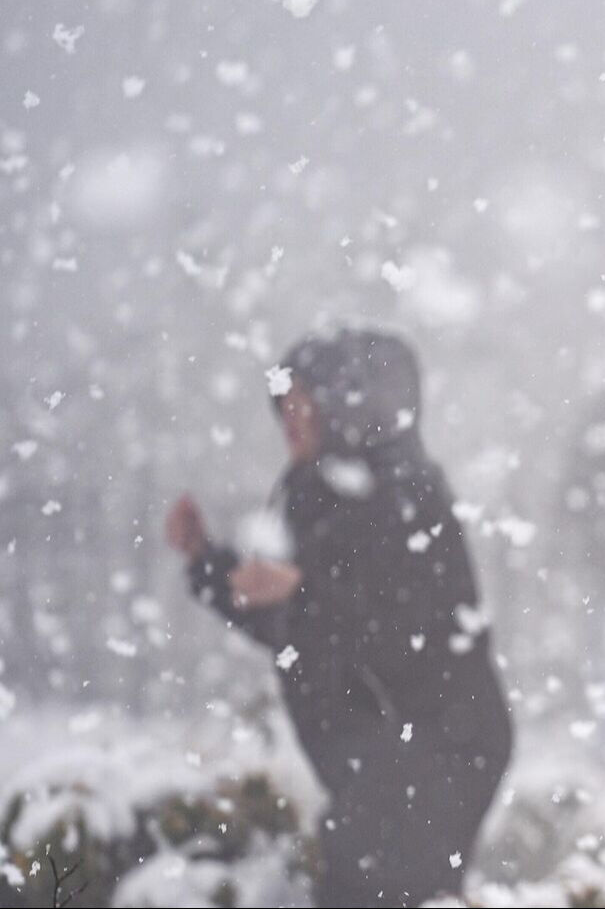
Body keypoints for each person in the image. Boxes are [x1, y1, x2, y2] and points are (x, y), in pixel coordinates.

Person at [165, 325, 514, 907]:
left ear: (347, 405)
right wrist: (207, 564)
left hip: (433, 752)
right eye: (284, 407)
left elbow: (407, 627)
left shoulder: (404, 493)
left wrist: (304, 593)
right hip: (384, 761)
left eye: (304, 403)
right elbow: (297, 627)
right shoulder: (317, 493)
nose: (291, 421)